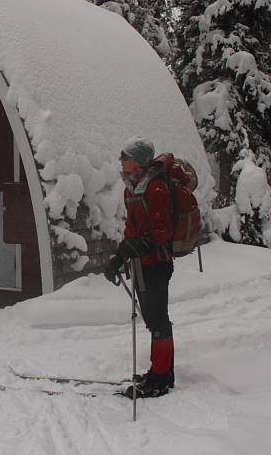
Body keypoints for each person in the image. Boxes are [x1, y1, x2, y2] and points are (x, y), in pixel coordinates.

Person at [105, 136, 188, 398]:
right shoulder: (133, 188)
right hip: (143, 264)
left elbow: (163, 230)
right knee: (155, 320)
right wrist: (120, 258)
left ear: (138, 161)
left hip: (157, 264)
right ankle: (162, 372)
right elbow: (133, 230)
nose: (121, 160)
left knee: (157, 321)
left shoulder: (156, 187)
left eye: (125, 156)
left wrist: (139, 246)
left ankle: (159, 380)